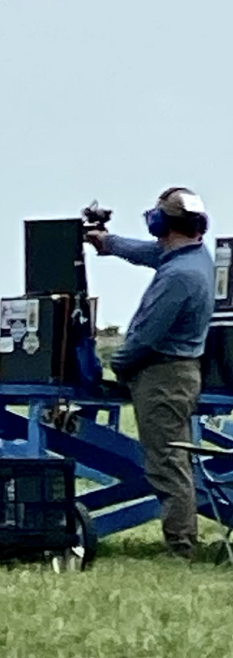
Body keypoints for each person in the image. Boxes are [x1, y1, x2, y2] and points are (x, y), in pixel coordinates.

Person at [85, 187, 215, 558]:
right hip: (176, 372)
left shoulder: (178, 277)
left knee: (167, 463)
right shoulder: (191, 257)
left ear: (163, 223)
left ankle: (180, 546)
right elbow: (147, 251)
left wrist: (118, 364)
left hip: (163, 376)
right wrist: (107, 242)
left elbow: (145, 336)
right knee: (171, 458)